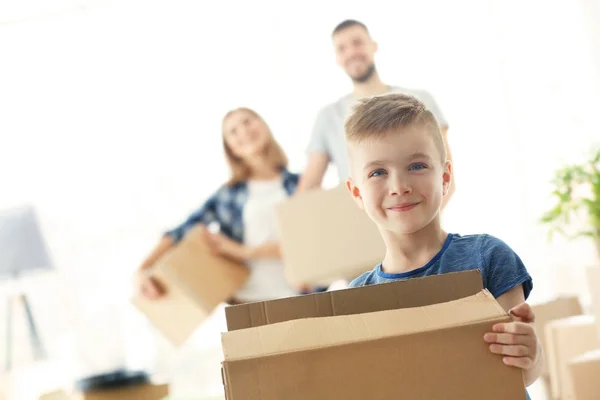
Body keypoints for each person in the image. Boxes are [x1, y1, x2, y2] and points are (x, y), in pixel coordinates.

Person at [343, 94, 541, 397]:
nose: (399, 186)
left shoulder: (488, 257)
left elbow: (522, 374)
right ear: (356, 192)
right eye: (378, 172)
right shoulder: (358, 299)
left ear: (445, 177)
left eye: (417, 166)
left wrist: (531, 351)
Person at [136, 107, 308, 304]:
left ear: (264, 126)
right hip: (247, 301)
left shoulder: (301, 184)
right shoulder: (228, 195)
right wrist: (142, 269)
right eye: (233, 131)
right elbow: (181, 232)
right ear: (231, 148)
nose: (243, 131)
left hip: (299, 298)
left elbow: (312, 244)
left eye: (247, 121)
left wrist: (242, 251)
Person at [299, 19, 454, 209]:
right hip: (359, 230)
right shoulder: (328, 117)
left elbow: (446, 175)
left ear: (373, 46)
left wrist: (418, 228)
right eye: (342, 48)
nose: (351, 52)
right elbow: (308, 189)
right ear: (337, 58)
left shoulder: (419, 101)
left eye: (357, 43)